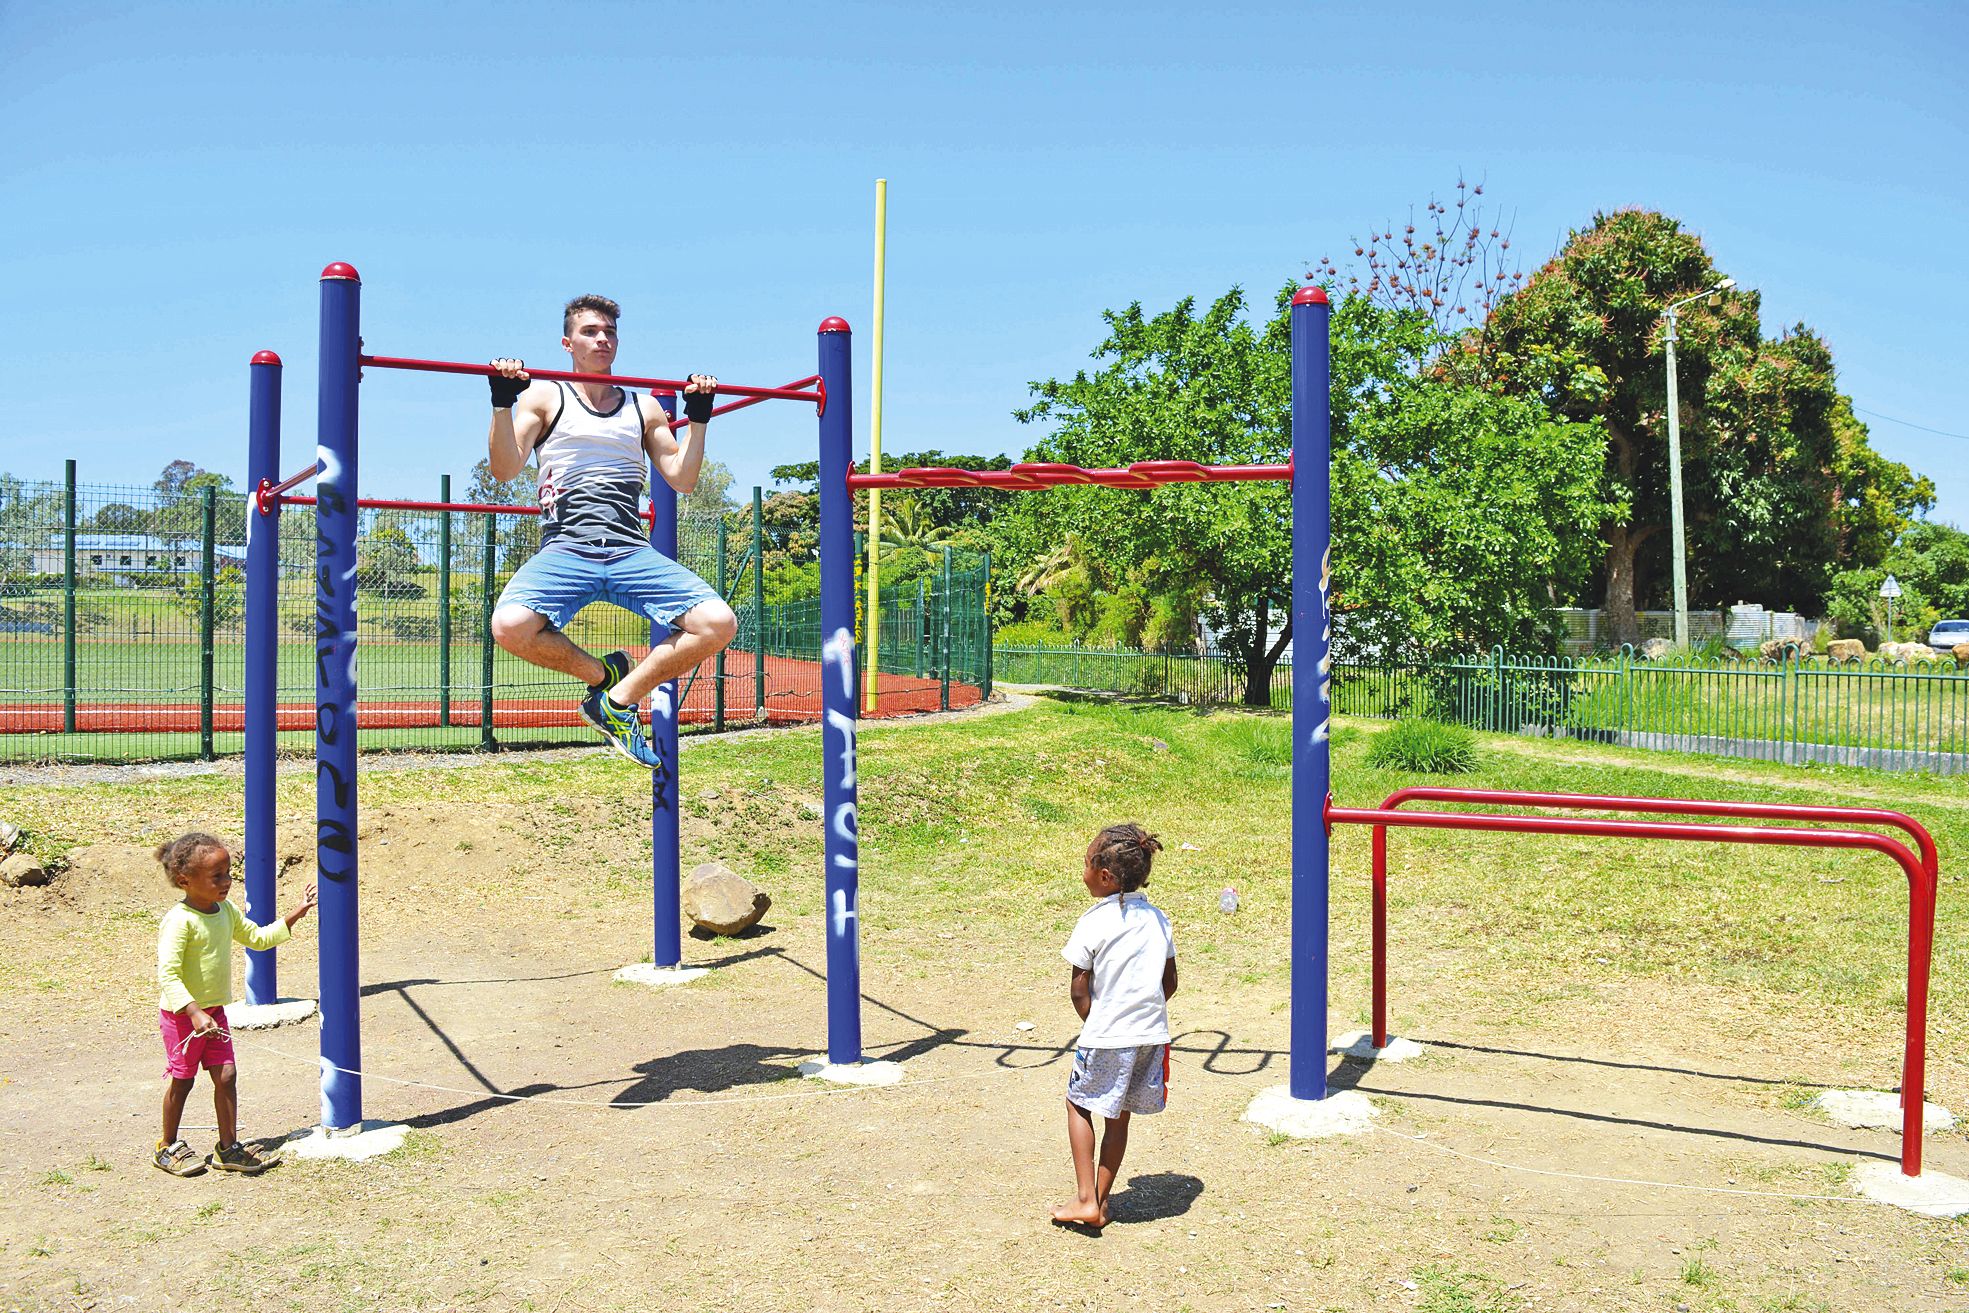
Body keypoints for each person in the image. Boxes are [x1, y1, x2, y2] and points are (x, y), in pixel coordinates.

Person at [484, 294, 739, 770]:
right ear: (567, 343)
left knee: (718, 623)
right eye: (590, 331)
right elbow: (504, 468)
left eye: (609, 332)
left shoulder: (643, 409)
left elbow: (681, 478)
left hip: (628, 549)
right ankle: (603, 675)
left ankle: (616, 701)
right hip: (567, 546)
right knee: (509, 626)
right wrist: (502, 402)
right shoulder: (545, 395)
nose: (602, 339)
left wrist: (699, 419)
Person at [154, 833, 317, 1177]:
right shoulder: (179, 921)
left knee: (226, 1076)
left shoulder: (225, 911)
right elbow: (168, 974)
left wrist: (295, 915)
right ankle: (166, 1146)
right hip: (183, 1017)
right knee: (182, 1080)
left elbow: (257, 939)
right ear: (186, 881)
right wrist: (193, 1011)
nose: (227, 882)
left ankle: (228, 1148)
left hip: (214, 1013)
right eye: (217, 877)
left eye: (228, 873)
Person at [1051, 823, 1177, 1230]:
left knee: (1079, 1103)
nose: (1082, 870)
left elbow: (1078, 989)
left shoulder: (1094, 921)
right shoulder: (1159, 919)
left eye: (1086, 863)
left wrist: (1097, 1022)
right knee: (1119, 1115)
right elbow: (1169, 982)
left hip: (1107, 1035)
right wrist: (1143, 1011)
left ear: (1105, 876)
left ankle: (1087, 1198)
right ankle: (1101, 1203)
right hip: (1151, 1034)